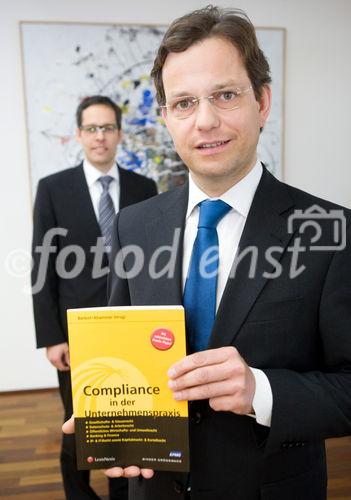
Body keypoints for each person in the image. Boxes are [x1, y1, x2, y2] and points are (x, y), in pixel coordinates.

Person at [63, 6, 351, 500]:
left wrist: (259, 391)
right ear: (165, 118)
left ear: (262, 101)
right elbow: (122, 347)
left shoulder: (331, 230)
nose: (206, 120)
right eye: (184, 103)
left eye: (226, 94)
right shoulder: (136, 224)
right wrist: (114, 422)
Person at [31, 95, 157, 500]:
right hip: (75, 332)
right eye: (91, 129)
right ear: (78, 135)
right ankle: (79, 494)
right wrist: (52, 336)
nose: (99, 137)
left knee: (122, 423)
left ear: (119, 134)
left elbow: (154, 263)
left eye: (107, 128)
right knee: (79, 424)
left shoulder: (145, 187)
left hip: (129, 329)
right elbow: (41, 266)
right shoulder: (53, 189)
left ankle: (123, 495)